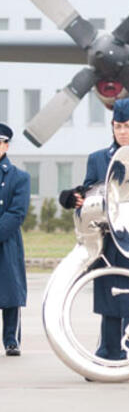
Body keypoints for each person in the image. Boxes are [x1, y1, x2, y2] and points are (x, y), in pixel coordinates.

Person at [59, 99, 129, 382]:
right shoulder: (98, 159)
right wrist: (73, 198)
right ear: (113, 127)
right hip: (111, 242)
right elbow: (89, 195)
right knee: (110, 302)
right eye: (118, 126)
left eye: (128, 126)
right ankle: (109, 354)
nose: (123, 131)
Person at [0, 124, 30, 357]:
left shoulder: (19, 177)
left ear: (6, 145)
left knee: (10, 293)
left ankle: (12, 339)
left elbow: (17, 212)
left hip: (6, 241)